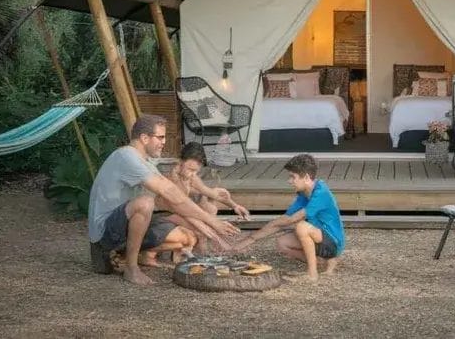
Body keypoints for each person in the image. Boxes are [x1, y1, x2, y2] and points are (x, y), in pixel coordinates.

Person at [87, 114, 240, 286]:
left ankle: (122, 254)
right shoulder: (126, 157)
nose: (164, 141)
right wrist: (211, 220)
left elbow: (172, 201)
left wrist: (211, 228)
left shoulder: (146, 162)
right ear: (144, 138)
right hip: (104, 235)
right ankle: (131, 268)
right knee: (145, 203)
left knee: (186, 238)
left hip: (122, 228)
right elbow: (170, 192)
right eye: (160, 137)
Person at [232, 154, 344, 283]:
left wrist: (250, 239)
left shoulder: (321, 192)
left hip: (333, 243)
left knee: (301, 226)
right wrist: (249, 240)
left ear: (306, 177)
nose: (289, 181)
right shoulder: (304, 193)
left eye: (293, 177)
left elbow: (291, 220)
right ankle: (322, 261)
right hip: (318, 238)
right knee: (282, 243)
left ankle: (312, 274)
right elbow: (285, 219)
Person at [153, 142, 251, 255]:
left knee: (209, 208)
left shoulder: (191, 177)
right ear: (180, 162)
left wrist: (234, 205)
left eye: (196, 171)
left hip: (184, 212)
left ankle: (202, 253)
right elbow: (183, 211)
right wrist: (210, 227)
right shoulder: (172, 180)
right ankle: (204, 253)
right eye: (190, 169)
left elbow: (213, 193)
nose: (192, 174)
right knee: (200, 229)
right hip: (164, 214)